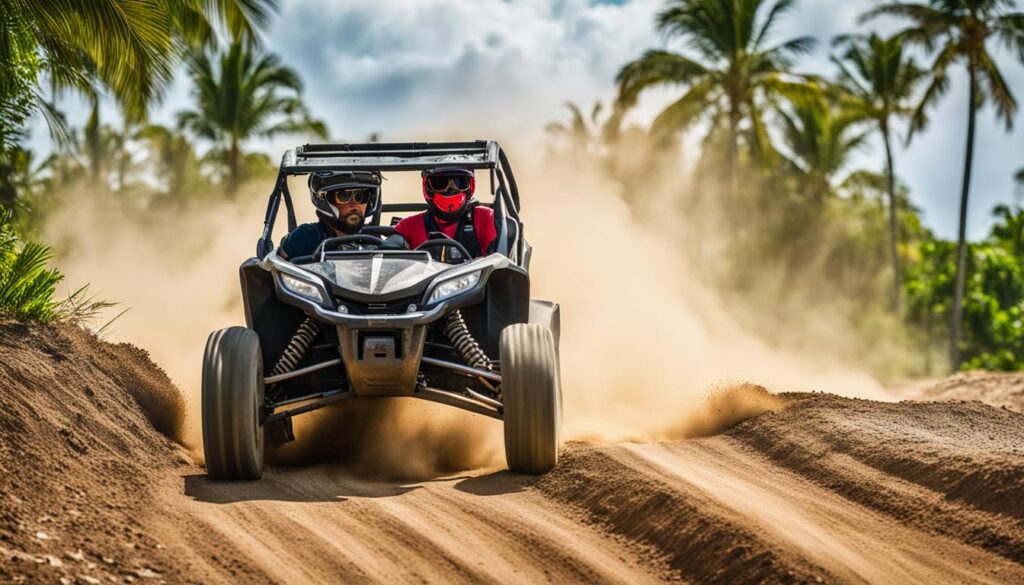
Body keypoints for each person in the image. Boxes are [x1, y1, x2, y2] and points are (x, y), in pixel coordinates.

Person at [387, 167, 496, 261]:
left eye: (459, 182)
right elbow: (387, 255)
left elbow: (497, 263)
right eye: (441, 182)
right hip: (426, 285)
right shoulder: (409, 226)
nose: (450, 189)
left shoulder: (485, 218)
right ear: (428, 187)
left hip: (475, 285)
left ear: (470, 185)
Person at [279, 170, 381, 260]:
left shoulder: (375, 240)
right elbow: (276, 274)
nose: (354, 204)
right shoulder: (306, 237)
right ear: (325, 200)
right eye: (344, 195)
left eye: (361, 196)